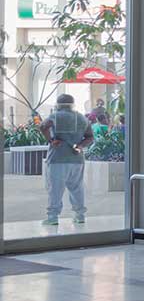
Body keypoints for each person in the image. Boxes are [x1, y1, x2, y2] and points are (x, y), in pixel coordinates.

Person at [40, 93, 92, 226]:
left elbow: (42, 126)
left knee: (55, 188)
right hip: (77, 158)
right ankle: (80, 215)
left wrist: (51, 140)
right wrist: (80, 146)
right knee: (77, 187)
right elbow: (90, 137)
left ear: (58, 104)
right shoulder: (82, 118)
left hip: (58, 157)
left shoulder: (55, 116)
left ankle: (53, 217)